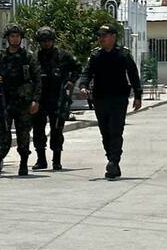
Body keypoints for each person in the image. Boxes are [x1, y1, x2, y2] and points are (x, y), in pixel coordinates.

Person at [78, 24, 142, 180]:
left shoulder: (123, 55)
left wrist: (138, 96)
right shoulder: (96, 56)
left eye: (104, 36)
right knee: (105, 132)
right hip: (100, 99)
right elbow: (87, 73)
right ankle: (112, 159)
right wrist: (83, 86)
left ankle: (114, 161)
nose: (101, 39)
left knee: (116, 130)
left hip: (118, 99)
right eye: (99, 36)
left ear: (113, 37)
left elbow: (133, 75)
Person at [0, 23, 41, 177]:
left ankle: (24, 162)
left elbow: (37, 80)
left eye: (17, 36)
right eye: (12, 36)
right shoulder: (0, 56)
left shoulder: (28, 57)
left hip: (23, 102)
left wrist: (35, 100)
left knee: (23, 133)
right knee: (2, 133)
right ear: (8, 38)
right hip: (4, 101)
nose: (15, 39)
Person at [31, 26, 80, 171]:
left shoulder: (63, 55)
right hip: (40, 98)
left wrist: (71, 81)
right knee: (38, 130)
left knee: (57, 129)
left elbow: (77, 67)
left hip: (57, 98)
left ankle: (57, 160)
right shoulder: (35, 57)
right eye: (43, 41)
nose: (46, 43)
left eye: (49, 40)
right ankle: (41, 160)